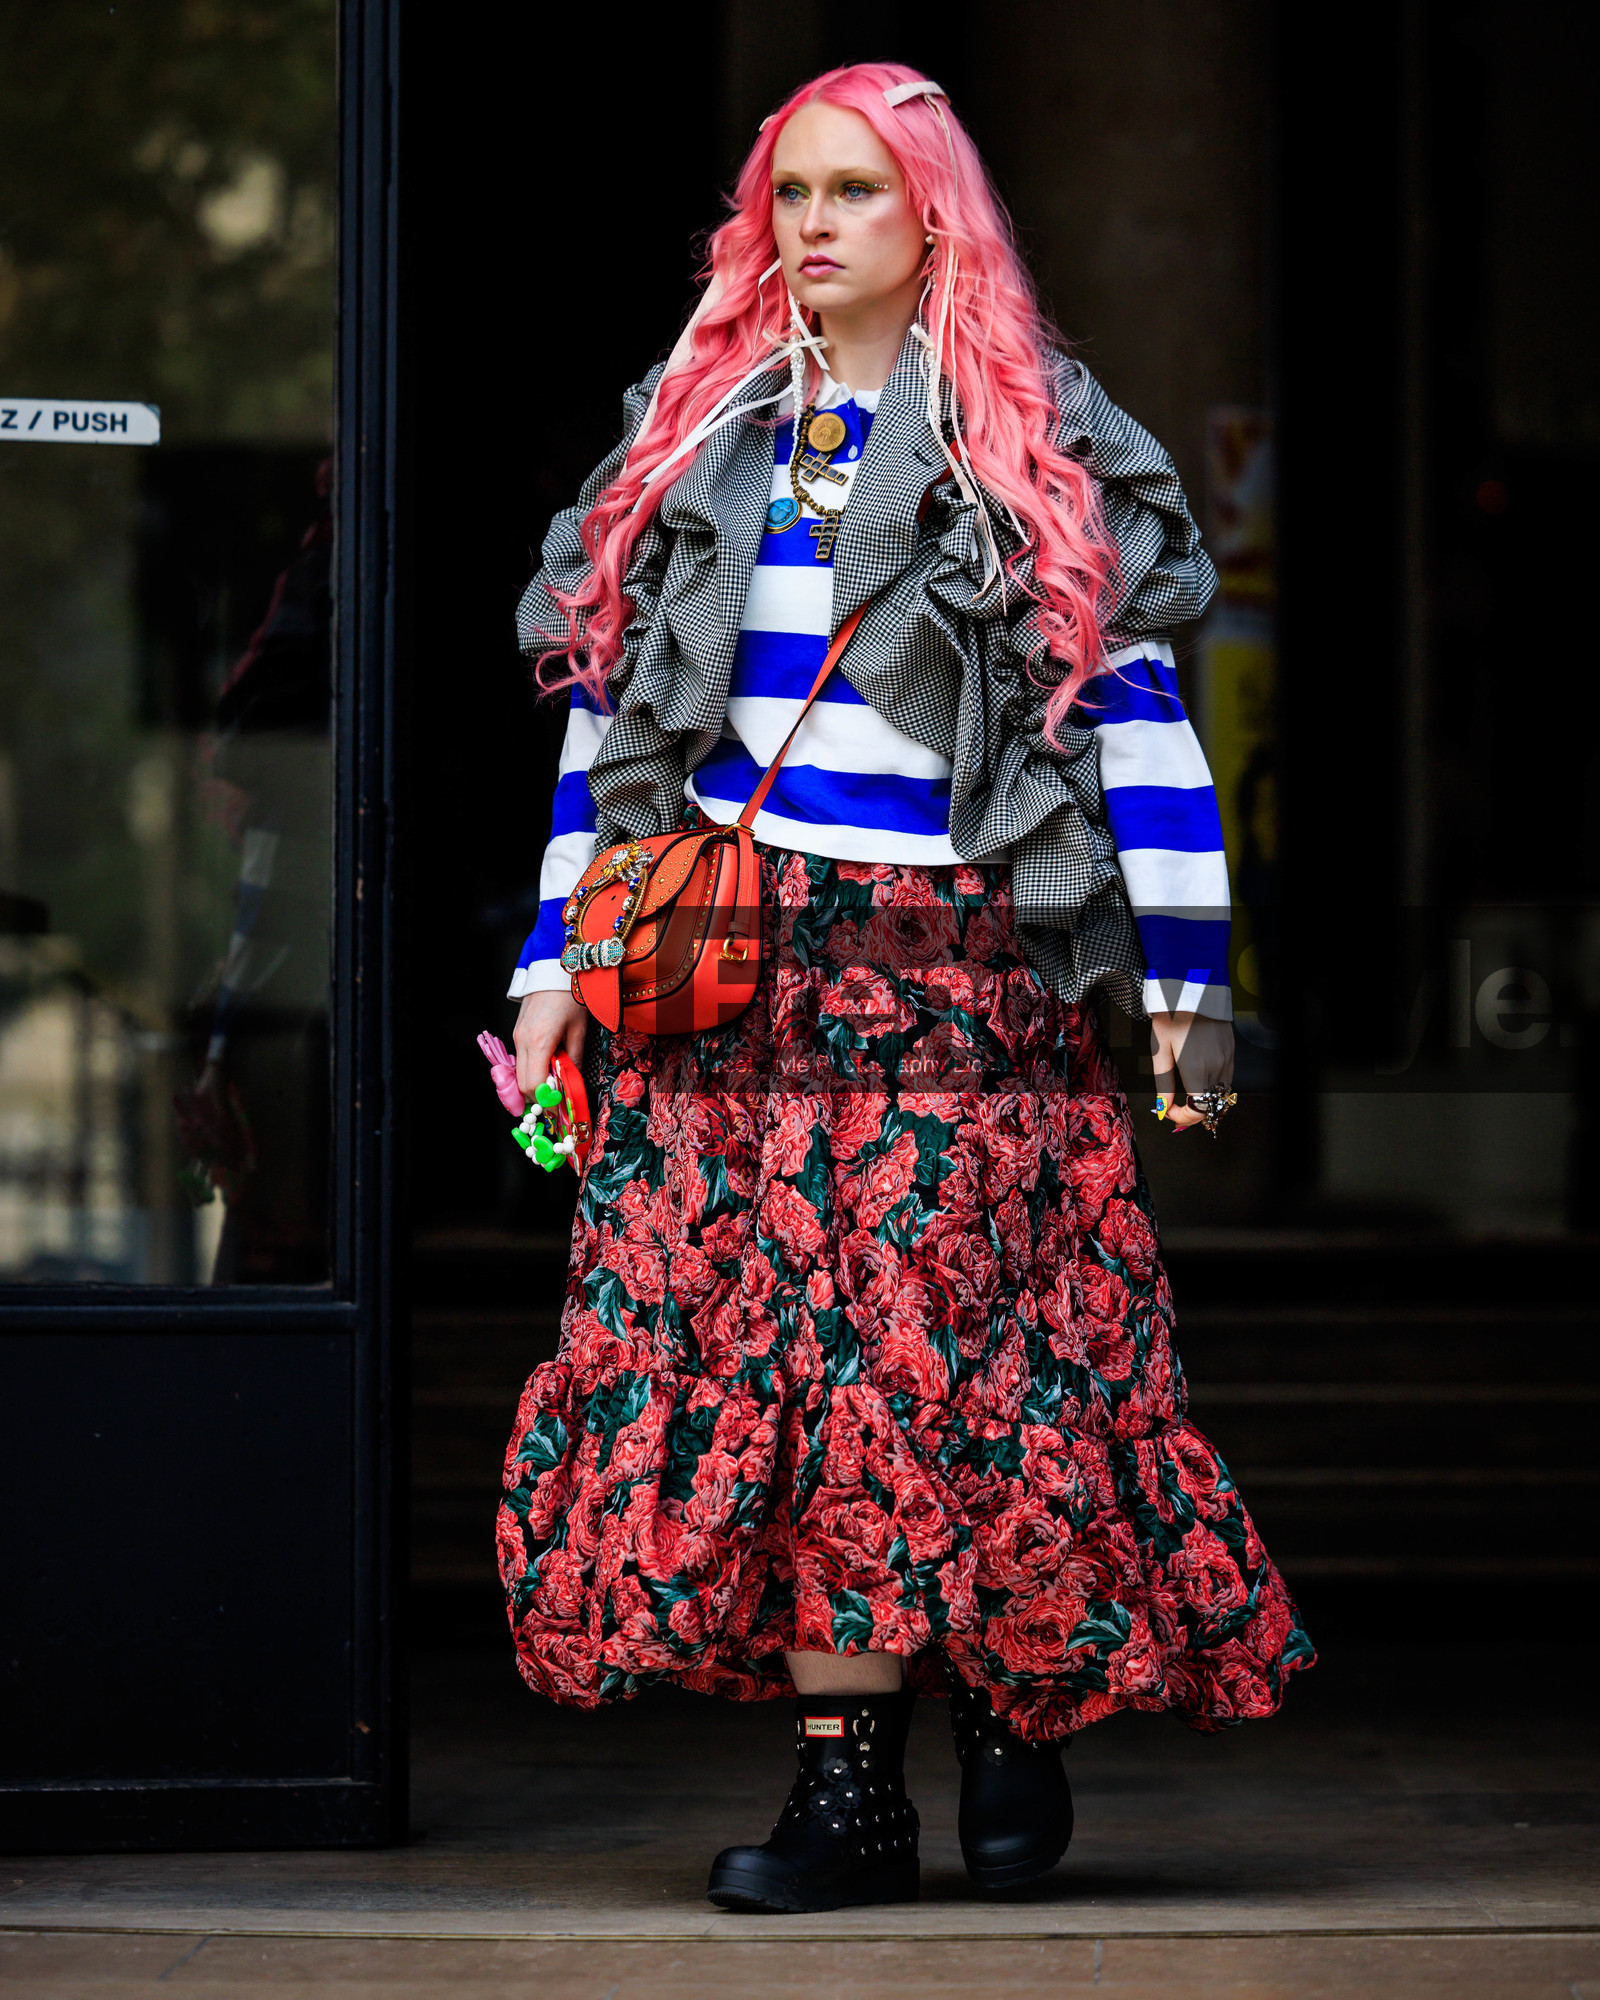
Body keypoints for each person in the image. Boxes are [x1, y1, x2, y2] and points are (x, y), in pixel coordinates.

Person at [497, 61, 1312, 1915]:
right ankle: (846, 1791)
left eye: (854, 192)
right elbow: (616, 737)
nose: (812, 225)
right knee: (781, 1376)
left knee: (972, 1370)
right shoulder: (694, 430)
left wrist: (1185, 982)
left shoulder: (1037, 438)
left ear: (932, 212)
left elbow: (1143, 731)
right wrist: (554, 959)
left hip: (965, 974)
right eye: (790, 192)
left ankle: (1012, 1720)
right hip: (731, 981)